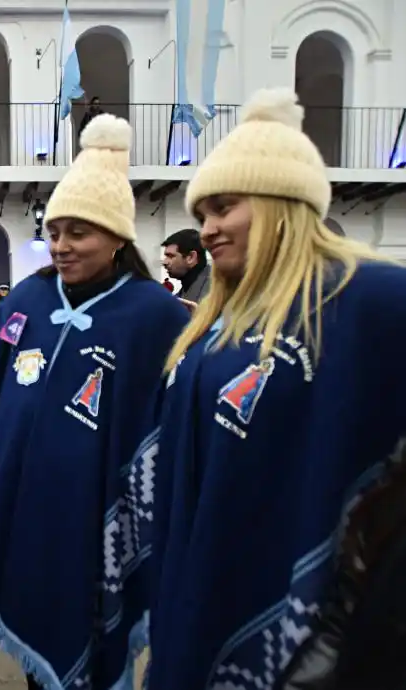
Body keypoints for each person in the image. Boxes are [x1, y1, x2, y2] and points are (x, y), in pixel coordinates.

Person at [127, 89, 406, 690]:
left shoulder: (367, 297)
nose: (208, 229)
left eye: (224, 208)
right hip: (199, 571)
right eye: (202, 215)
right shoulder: (213, 322)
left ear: (283, 203)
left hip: (302, 604)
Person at [0, 114, 190, 690]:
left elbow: (167, 431)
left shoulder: (154, 316)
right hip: (18, 507)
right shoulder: (23, 299)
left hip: (93, 519)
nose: (61, 246)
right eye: (54, 232)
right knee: (33, 643)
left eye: (79, 233)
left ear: (117, 238)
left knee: (86, 634)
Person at [161, 228, 211, 302]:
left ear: (191, 257)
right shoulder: (184, 292)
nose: (164, 262)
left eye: (171, 256)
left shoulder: (217, 291)